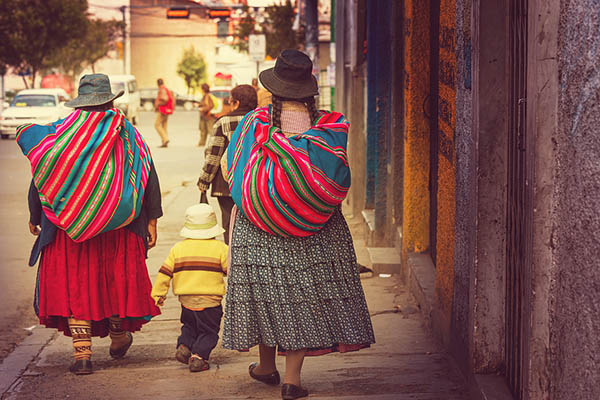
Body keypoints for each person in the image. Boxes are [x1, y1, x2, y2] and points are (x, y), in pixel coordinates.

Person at [223, 50, 375, 400]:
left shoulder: (253, 124)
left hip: (258, 227)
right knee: (301, 299)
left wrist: (265, 195)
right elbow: (334, 177)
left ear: (274, 90)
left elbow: (232, 170)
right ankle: (291, 379)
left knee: (265, 294)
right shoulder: (329, 129)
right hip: (316, 229)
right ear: (310, 90)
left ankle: (265, 366)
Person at [16, 74, 162, 375]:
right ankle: (119, 336)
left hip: (69, 230)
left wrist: (36, 215)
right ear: (110, 101)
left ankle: (82, 356)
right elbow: (147, 176)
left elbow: (42, 175)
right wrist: (152, 221)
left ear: (79, 104)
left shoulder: (60, 135)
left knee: (77, 287)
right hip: (119, 228)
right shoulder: (127, 133)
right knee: (114, 282)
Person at [151, 203, 228, 373]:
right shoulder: (221, 249)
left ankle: (185, 346)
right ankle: (199, 357)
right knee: (208, 331)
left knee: (189, 325)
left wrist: (158, 293)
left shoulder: (178, 249)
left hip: (186, 300)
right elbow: (231, 271)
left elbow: (165, 272)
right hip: (210, 302)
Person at [197, 84, 257, 245]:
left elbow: (213, 157)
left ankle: (231, 263)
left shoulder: (223, 122)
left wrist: (204, 181)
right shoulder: (262, 121)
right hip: (256, 184)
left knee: (229, 224)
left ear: (235, 103)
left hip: (226, 185)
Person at [154, 78, 174, 148]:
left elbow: (165, 99)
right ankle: (164, 143)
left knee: (156, 125)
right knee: (164, 126)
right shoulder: (166, 89)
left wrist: (158, 104)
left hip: (163, 110)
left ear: (157, 84)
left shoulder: (162, 89)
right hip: (167, 110)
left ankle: (165, 139)